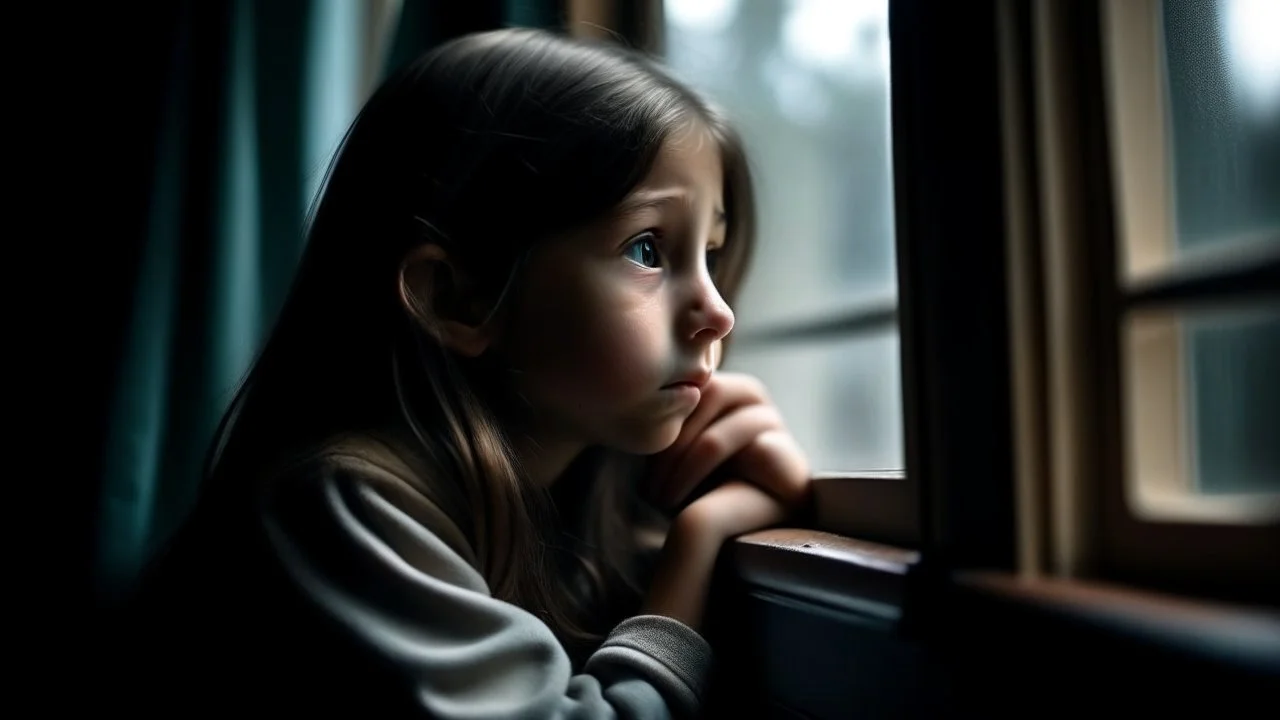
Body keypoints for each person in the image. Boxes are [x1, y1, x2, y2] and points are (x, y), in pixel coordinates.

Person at [123, 27, 811, 718]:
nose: (718, 313)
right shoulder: (338, 509)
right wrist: (695, 547)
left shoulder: (590, 505)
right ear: (458, 297)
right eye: (647, 249)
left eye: (712, 254)